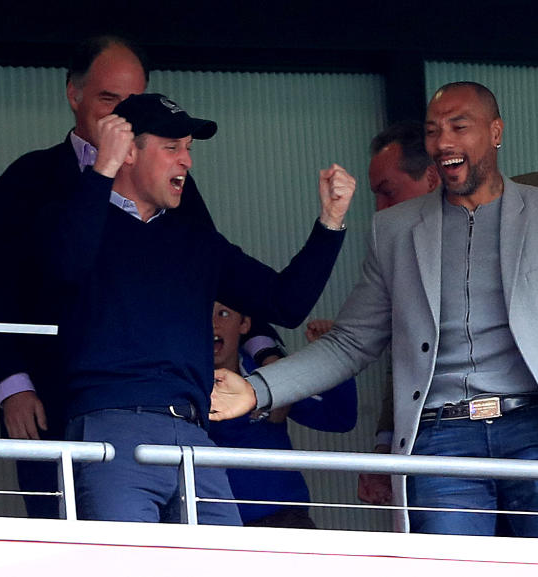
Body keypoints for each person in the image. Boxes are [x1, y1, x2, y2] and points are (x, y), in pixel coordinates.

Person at [211, 81, 538, 541]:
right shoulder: (395, 229)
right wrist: (259, 389)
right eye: (433, 131)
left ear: (496, 132)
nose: (443, 142)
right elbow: (349, 342)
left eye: (459, 127)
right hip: (442, 439)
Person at [0, 35, 281, 518]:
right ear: (74, 95)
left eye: (132, 101)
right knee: (72, 541)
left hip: (159, 402)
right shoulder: (29, 177)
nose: (121, 116)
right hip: (50, 392)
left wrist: (261, 345)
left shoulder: (174, 181)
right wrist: (13, 382)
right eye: (107, 100)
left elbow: (212, 270)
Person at [39, 92, 353, 524]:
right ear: (128, 151)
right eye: (171, 148)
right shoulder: (74, 213)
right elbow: (64, 267)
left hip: (195, 435)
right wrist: (102, 170)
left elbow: (286, 302)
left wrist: (331, 222)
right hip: (111, 429)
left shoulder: (196, 239)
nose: (186, 161)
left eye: (188, 148)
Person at [356, 122, 538, 506]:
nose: (380, 207)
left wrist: (536, 265)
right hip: (449, 437)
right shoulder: (402, 237)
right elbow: (412, 354)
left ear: (431, 175)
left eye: (387, 191)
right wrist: (385, 442)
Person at [208, 302, 357, 528]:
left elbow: (339, 417)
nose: (213, 324)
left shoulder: (270, 377)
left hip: (284, 519)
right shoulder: (180, 384)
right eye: (203, 314)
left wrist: (333, 355)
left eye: (224, 313)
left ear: (244, 323)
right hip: (212, 525)